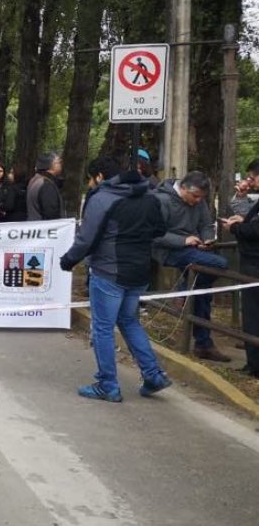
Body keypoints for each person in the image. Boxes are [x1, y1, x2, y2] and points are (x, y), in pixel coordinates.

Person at [60, 169, 171, 403]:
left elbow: (86, 238)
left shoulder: (103, 199)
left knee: (102, 327)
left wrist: (69, 260)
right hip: (139, 271)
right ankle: (154, 375)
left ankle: (107, 384)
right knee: (130, 321)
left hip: (109, 271)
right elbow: (160, 230)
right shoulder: (152, 198)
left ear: (102, 177)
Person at [152, 171, 230, 361]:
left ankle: (203, 341)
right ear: (184, 188)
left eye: (200, 198)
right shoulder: (161, 200)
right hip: (169, 250)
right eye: (194, 196)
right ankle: (185, 290)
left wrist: (207, 238)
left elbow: (205, 223)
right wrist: (183, 240)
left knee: (202, 292)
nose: (196, 201)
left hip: (194, 249)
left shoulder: (199, 202)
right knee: (220, 264)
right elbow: (154, 233)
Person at [221, 158, 259, 377]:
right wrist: (241, 200)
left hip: (255, 263)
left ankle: (255, 365)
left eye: (253, 177)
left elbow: (255, 232)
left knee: (253, 315)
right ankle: (253, 360)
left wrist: (235, 227)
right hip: (251, 261)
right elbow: (251, 220)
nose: (250, 181)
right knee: (251, 313)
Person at [27, 152, 65, 221]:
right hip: (45, 228)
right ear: (52, 165)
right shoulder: (46, 184)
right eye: (59, 162)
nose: (61, 165)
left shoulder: (35, 179)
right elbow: (51, 213)